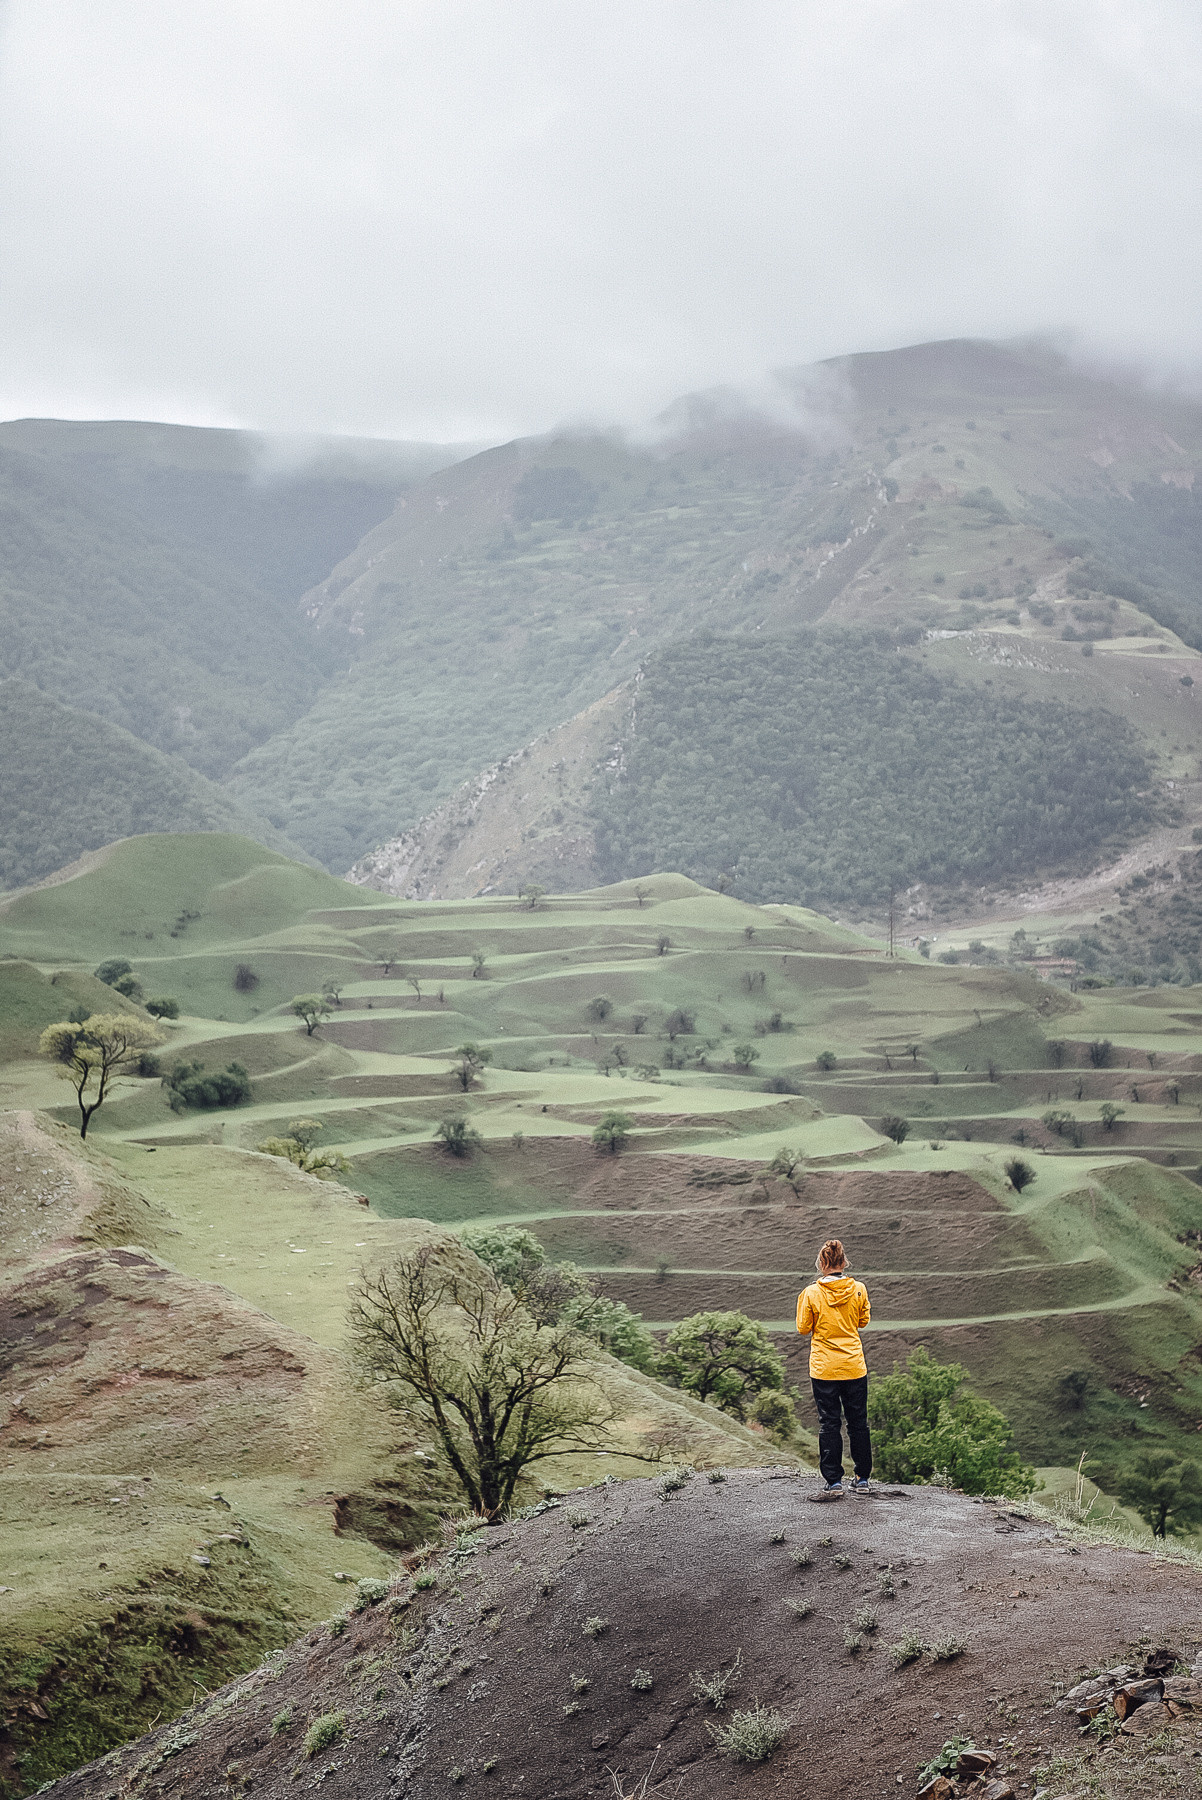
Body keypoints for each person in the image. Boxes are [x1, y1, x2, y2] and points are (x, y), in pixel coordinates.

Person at [796, 1237, 871, 1497]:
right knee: (858, 1423)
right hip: (853, 1365)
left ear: (821, 1263)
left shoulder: (811, 1293)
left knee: (829, 1423)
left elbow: (803, 1328)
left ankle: (834, 1481)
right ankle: (862, 1479)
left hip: (824, 1367)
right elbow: (863, 1322)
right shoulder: (859, 1289)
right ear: (843, 1262)